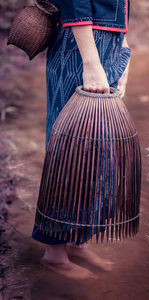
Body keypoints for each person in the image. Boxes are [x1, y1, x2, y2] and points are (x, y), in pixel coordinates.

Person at [32, 0, 132, 279]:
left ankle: (78, 240)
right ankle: (54, 253)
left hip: (108, 44)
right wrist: (90, 62)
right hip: (80, 47)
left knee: (97, 152)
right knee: (70, 150)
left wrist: (124, 52)